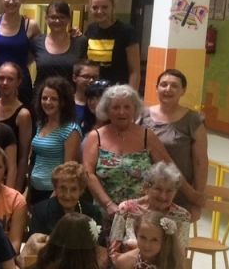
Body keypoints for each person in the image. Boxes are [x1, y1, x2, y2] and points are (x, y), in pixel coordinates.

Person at [83, 84, 172, 221]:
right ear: (107, 110)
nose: (121, 112)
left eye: (127, 107)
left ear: (135, 109)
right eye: (116, 107)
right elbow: (88, 174)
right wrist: (108, 205)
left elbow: (168, 172)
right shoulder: (95, 137)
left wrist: (153, 200)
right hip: (105, 212)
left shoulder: (147, 136)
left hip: (143, 214)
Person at [141, 69, 208, 218]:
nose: (168, 89)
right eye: (163, 84)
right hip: (145, 193)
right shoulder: (142, 116)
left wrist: (196, 199)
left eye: (174, 86)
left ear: (183, 91)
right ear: (156, 88)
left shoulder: (193, 120)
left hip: (179, 194)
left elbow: (200, 162)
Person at [109, 162, 192, 258]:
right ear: (146, 188)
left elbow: (180, 255)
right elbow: (113, 252)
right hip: (127, 265)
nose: (163, 196)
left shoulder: (182, 216)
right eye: (158, 189)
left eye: (169, 191)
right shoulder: (126, 209)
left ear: (175, 192)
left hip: (164, 267)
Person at [28, 77, 82, 204]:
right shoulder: (40, 124)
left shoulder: (71, 130)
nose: (48, 102)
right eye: (44, 98)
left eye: (54, 99)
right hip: (35, 189)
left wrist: (53, 199)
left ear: (63, 102)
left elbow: (68, 170)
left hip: (54, 193)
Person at [27, 162, 102, 240]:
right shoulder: (40, 211)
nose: (67, 195)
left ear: (81, 191)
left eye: (73, 189)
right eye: (63, 188)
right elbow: (35, 244)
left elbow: (99, 245)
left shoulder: (93, 213)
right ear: (55, 188)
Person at [85, 0, 140, 88]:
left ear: (113, 7)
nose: (99, 11)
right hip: (93, 91)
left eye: (104, 7)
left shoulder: (126, 31)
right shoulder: (90, 30)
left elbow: (134, 71)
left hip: (117, 91)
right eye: (95, 7)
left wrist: (131, 94)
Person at [0, 61, 32, 193]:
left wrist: (17, 189)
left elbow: (23, 156)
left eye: (10, 79)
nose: (5, 83)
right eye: (1, 78)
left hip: (11, 178)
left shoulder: (23, 115)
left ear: (18, 82)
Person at [32, 1, 88, 89]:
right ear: (46, 18)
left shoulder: (80, 42)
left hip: (70, 95)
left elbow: (85, 72)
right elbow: (24, 63)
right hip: (42, 95)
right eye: (53, 17)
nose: (57, 21)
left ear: (69, 19)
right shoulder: (36, 42)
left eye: (62, 17)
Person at [71, 60, 100, 131]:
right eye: (86, 76)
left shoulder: (104, 105)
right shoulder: (66, 103)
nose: (91, 80)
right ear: (74, 78)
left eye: (95, 77)